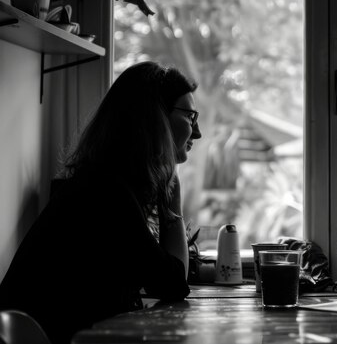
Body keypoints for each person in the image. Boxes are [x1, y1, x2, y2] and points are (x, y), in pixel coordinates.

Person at [0, 62, 202, 344]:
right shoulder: (108, 193)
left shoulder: (102, 181)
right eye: (190, 116)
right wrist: (174, 205)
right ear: (154, 119)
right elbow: (173, 284)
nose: (197, 132)